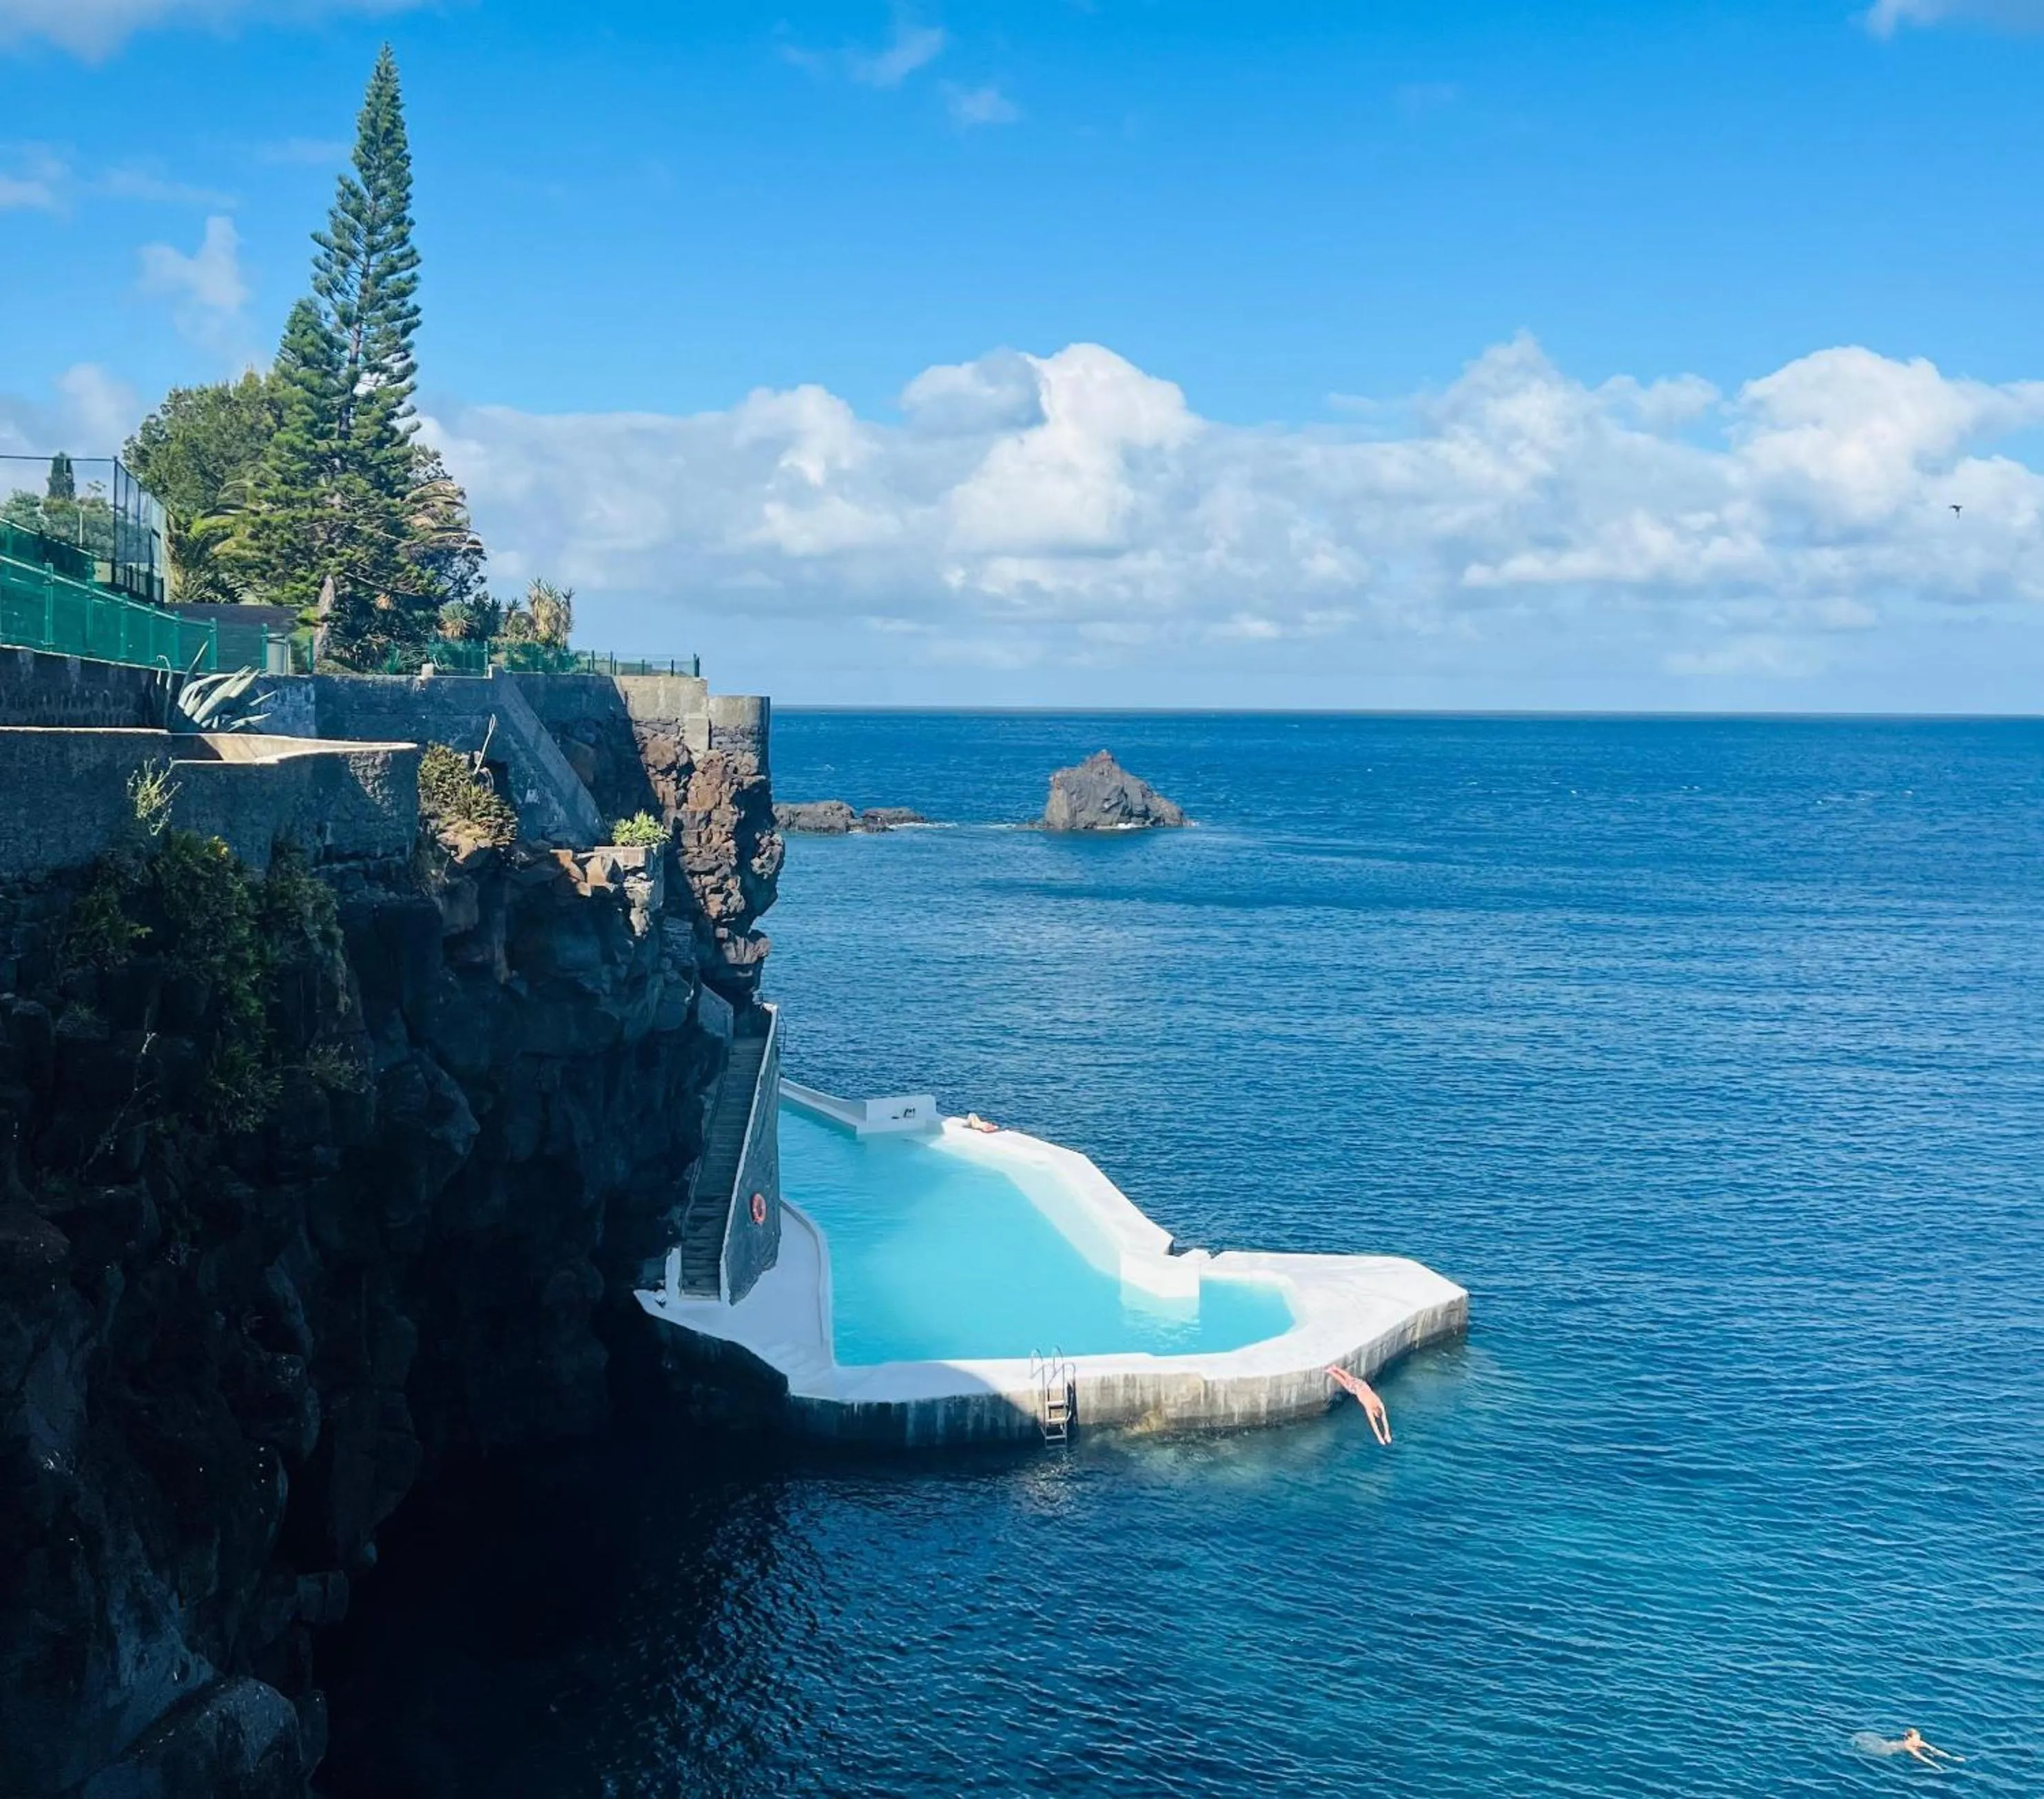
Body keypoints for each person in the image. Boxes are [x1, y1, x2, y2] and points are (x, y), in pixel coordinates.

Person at [1325, 1364, 1391, 1445]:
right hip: (1356, 1389)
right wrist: (1380, 1438)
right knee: (1344, 1382)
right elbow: (1374, 1425)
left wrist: (1387, 1433)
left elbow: (1384, 1419)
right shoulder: (1369, 1407)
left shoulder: (1379, 1403)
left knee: (1349, 1378)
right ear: (1374, 1412)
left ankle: (1335, 1368)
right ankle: (1331, 1372)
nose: (1375, 1416)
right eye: (1375, 1415)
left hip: (1362, 1385)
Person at [1852, 1728, 1963, 1767]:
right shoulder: (1908, 1745)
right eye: (1916, 1737)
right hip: (1888, 1749)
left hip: (1892, 1745)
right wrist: (1936, 1766)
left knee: (1931, 1752)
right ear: (1910, 1738)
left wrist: (1952, 1758)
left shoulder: (1918, 1742)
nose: (1918, 1740)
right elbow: (1920, 1757)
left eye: (1919, 1737)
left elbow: (1934, 1749)